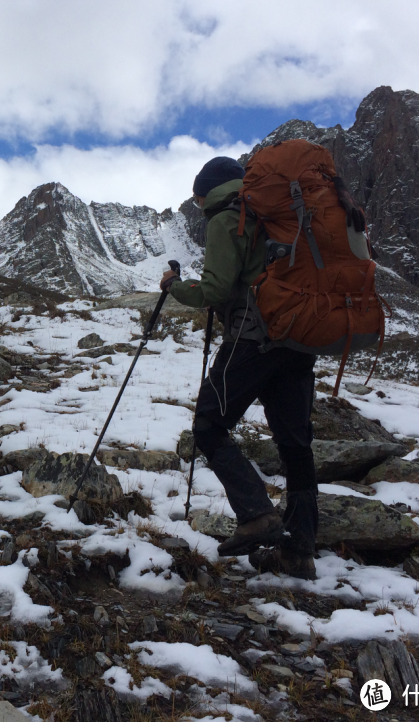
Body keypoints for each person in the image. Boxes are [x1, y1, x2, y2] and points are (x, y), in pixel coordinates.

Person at [160, 156, 318, 580]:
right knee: (295, 446)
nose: (197, 206)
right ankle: (300, 552)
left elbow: (215, 289)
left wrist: (174, 286)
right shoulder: (275, 212)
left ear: (206, 192)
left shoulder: (226, 217)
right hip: (298, 342)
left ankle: (256, 513)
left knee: (209, 426)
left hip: (252, 340)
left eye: (197, 199)